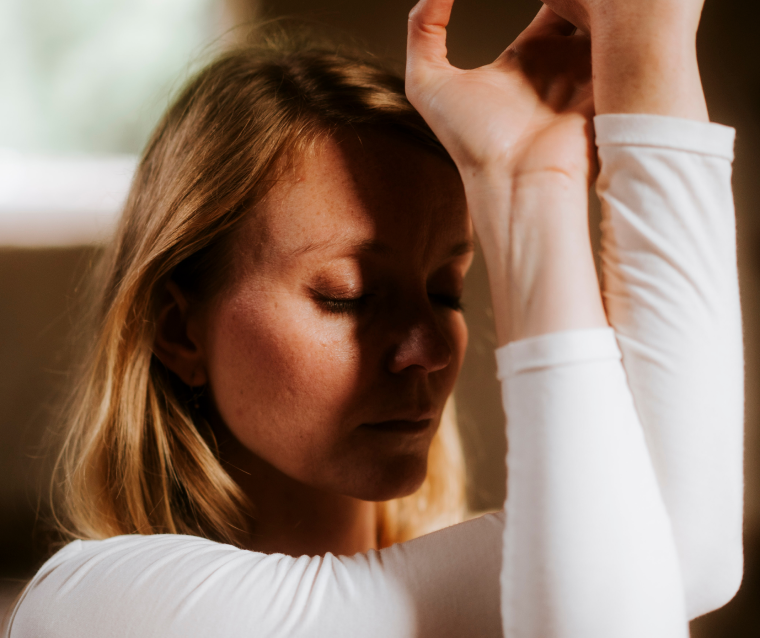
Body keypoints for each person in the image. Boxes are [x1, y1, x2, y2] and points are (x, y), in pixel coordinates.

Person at [5, 0, 743, 635]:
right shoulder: (94, 609)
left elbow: (676, 549)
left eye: (447, 290)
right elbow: (670, 548)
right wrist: (545, 166)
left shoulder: (536, 587)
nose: (424, 346)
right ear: (178, 330)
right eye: (347, 297)